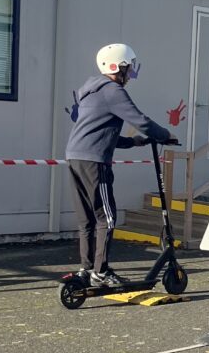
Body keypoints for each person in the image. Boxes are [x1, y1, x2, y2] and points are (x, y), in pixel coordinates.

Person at [65, 43, 178, 287]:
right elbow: (141, 120)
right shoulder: (112, 90)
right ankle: (101, 272)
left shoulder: (91, 91)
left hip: (75, 157)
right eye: (129, 69)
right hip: (95, 162)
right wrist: (165, 134)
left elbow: (100, 131)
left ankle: (86, 269)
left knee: (87, 219)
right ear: (119, 67)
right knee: (107, 218)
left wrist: (132, 142)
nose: (130, 75)